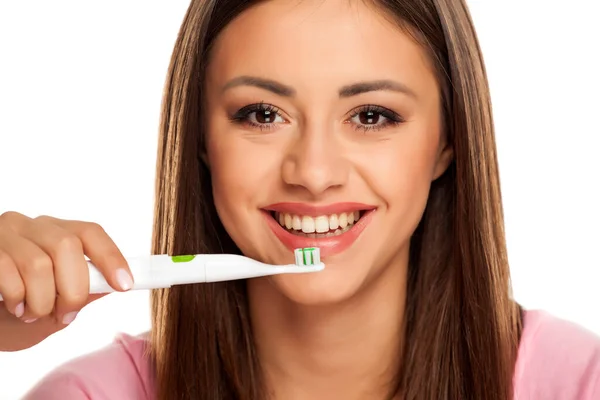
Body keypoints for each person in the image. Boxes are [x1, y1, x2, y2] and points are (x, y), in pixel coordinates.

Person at [1, 0, 599, 399]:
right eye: (262, 114)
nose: (313, 173)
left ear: (448, 141)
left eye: (371, 115)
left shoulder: (577, 383)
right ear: (202, 139)